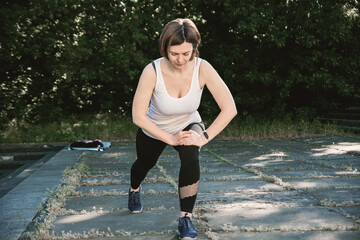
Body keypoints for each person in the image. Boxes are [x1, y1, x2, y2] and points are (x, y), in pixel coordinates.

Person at [128, 18, 237, 239]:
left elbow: (230, 108)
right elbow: (138, 116)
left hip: (188, 123)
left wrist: (203, 137)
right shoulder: (152, 71)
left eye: (186, 53)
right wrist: (169, 138)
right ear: (165, 48)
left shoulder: (202, 67)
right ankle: (134, 190)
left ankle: (185, 218)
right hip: (154, 127)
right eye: (174, 53)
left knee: (191, 154)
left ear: (194, 48)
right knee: (144, 164)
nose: (180, 59)